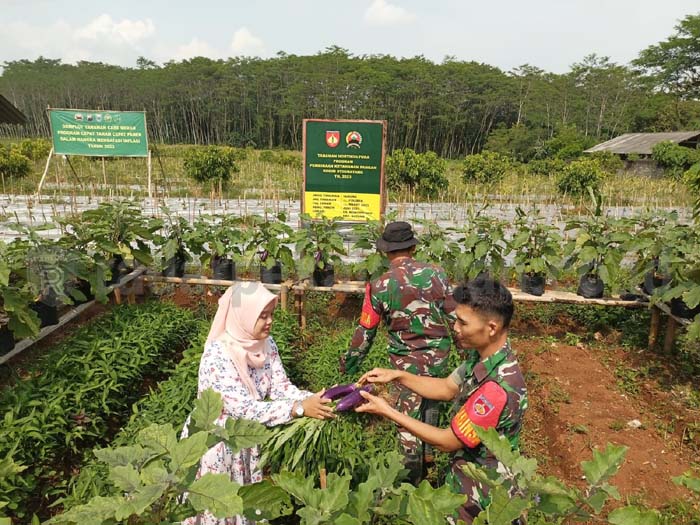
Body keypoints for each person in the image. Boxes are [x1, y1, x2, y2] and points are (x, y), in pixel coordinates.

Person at [355, 276, 527, 524]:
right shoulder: (482, 359)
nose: (455, 327)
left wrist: (388, 411)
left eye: (462, 322)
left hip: (484, 499)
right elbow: (447, 388)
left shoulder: (495, 390)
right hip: (466, 480)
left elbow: (448, 441)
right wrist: (398, 375)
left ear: (491, 328)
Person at [182, 282, 334, 525]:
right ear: (242, 317)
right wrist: (297, 408)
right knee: (219, 507)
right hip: (219, 442)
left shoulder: (266, 344)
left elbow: (280, 387)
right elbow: (240, 408)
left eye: (271, 314)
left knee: (246, 504)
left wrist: (311, 399)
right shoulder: (218, 354)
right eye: (262, 316)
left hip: (246, 439)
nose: (269, 321)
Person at [340, 220, 455, 481]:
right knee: (432, 403)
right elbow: (456, 318)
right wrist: (470, 359)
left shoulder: (379, 285)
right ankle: (430, 459)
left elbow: (366, 330)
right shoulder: (437, 275)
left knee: (406, 418)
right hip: (438, 359)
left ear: (385, 251)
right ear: (413, 247)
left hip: (404, 365)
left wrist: (350, 363)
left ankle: (409, 482)